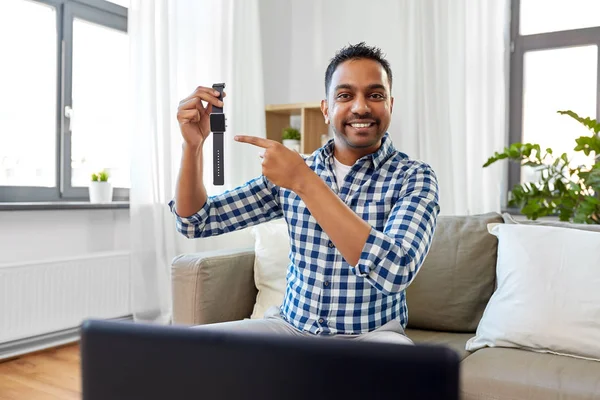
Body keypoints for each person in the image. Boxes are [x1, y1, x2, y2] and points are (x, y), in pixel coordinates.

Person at [169, 42, 440, 345]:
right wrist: (192, 147)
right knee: (184, 349)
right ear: (326, 109)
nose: (361, 107)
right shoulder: (295, 171)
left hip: (373, 337)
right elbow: (196, 221)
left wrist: (303, 181)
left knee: (406, 375)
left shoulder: (414, 177)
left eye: (375, 95)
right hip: (290, 329)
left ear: (391, 104)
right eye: (345, 95)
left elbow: (395, 270)